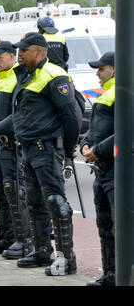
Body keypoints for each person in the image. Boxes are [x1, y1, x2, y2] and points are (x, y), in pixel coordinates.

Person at [9, 32, 82, 275]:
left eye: (24, 49)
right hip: (29, 148)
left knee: (54, 201)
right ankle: (42, 251)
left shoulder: (54, 75)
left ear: (39, 51)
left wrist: (67, 148)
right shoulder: (28, 75)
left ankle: (65, 260)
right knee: (34, 201)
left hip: (47, 148)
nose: (19, 53)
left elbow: (72, 116)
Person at [0, 41, 31, 259]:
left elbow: (18, 115)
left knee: (14, 190)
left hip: (10, 143)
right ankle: (5, 237)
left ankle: (23, 240)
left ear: (12, 56)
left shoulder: (18, 79)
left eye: (0, 57)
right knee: (0, 190)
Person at [81, 52, 115, 286]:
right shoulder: (106, 94)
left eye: (101, 69)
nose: (97, 73)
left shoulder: (123, 92)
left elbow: (126, 130)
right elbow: (96, 128)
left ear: (114, 69)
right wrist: (85, 144)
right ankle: (110, 274)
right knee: (104, 225)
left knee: (119, 225)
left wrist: (97, 149)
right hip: (102, 170)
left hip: (117, 171)